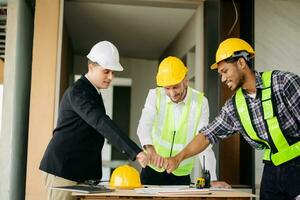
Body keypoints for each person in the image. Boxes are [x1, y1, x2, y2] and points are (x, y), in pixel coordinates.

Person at [164, 38, 300, 200]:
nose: (222, 79)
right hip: (272, 171)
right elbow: (207, 135)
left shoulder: (283, 83)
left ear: (241, 63)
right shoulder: (235, 107)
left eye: (225, 71)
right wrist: (178, 158)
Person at [39, 41, 148, 200]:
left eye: (113, 72)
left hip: (79, 172)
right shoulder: (78, 92)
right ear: (91, 67)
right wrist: (135, 152)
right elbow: (100, 122)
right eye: (106, 71)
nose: (111, 77)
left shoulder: (92, 92)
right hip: (63, 170)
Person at [137, 56, 229, 187]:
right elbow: (144, 126)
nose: (172, 93)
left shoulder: (200, 102)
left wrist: (211, 178)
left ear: (185, 80)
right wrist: (150, 150)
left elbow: (204, 141)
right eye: (167, 88)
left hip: (181, 175)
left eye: (175, 87)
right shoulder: (155, 95)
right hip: (152, 171)